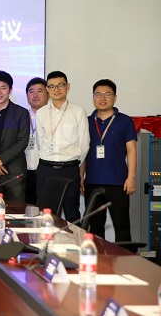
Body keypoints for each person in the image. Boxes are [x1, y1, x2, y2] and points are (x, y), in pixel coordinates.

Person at [81, 79, 137, 241]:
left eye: (107, 94)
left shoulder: (125, 121)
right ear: (93, 97)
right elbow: (83, 151)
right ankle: (99, 263)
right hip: (92, 183)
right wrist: (81, 176)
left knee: (122, 227)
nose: (102, 98)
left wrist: (131, 177)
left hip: (119, 183)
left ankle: (126, 264)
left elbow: (131, 150)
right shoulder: (87, 121)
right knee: (95, 229)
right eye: (98, 94)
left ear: (115, 97)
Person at [35, 70, 89, 223]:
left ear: (68, 87)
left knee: (72, 214)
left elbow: (84, 145)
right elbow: (40, 141)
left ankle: (73, 245)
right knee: (45, 215)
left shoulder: (78, 112)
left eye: (60, 85)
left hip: (69, 169)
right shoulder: (41, 113)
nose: (56, 89)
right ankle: (46, 246)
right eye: (51, 86)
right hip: (46, 169)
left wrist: (73, 162)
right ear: (47, 89)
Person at [0, 71, 30, 202]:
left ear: (10, 89)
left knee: (17, 212)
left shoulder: (21, 113)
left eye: (3, 88)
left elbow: (22, 141)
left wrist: (1, 160)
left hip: (14, 173)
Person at [24, 77, 49, 204]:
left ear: (48, 94)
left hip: (46, 171)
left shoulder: (52, 116)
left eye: (39, 91)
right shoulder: (21, 116)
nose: (35, 95)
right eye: (31, 91)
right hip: (25, 172)